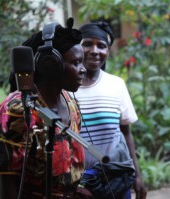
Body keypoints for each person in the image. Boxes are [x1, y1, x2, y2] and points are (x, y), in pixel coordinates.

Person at [0, 18, 88, 198]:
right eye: (76, 63)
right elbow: (5, 180)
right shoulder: (17, 108)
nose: (83, 69)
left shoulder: (69, 101)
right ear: (51, 66)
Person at [71, 21, 147, 199]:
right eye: (87, 44)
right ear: (77, 48)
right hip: (78, 183)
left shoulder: (116, 84)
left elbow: (125, 133)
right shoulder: (66, 88)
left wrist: (137, 175)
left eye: (101, 46)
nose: (95, 50)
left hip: (116, 179)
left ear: (108, 50)